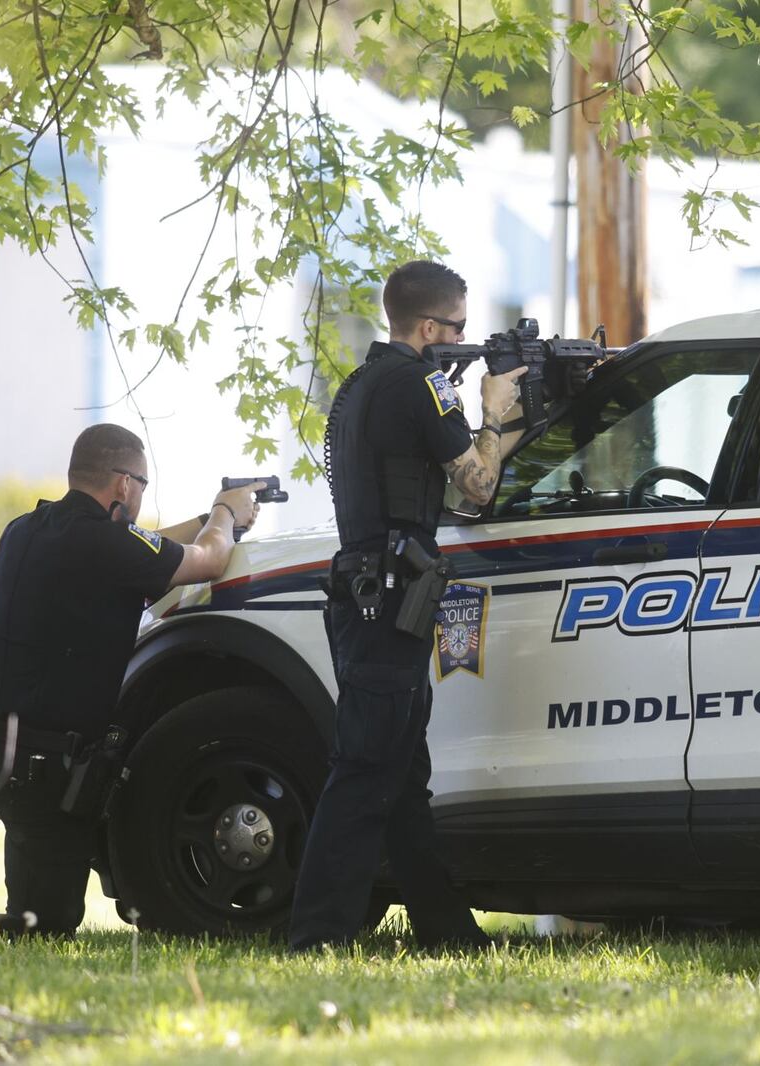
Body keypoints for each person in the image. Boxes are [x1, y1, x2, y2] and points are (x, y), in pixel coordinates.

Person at [0, 425, 264, 936]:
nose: (141, 496)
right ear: (124, 485)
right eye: (143, 486)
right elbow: (208, 560)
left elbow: (142, 550)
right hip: (32, 768)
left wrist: (209, 512)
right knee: (44, 925)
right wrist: (227, 516)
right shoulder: (102, 544)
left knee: (44, 905)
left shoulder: (30, 528)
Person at [287, 259, 527, 951]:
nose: (462, 338)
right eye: (457, 327)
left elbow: (444, 483)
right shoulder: (424, 385)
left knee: (400, 768)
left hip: (373, 593)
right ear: (430, 326)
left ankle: (446, 930)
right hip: (388, 597)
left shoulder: (364, 384)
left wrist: (497, 420)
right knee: (367, 767)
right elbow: (476, 487)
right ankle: (317, 934)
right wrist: (492, 413)